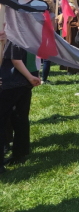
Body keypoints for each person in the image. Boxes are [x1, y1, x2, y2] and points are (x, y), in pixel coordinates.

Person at [0, 40, 41, 172]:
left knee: (9, 119)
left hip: (12, 82)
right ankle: (20, 153)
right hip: (23, 81)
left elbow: (15, 59)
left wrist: (30, 77)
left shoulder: (14, 34)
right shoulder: (26, 32)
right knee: (20, 118)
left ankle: (10, 159)